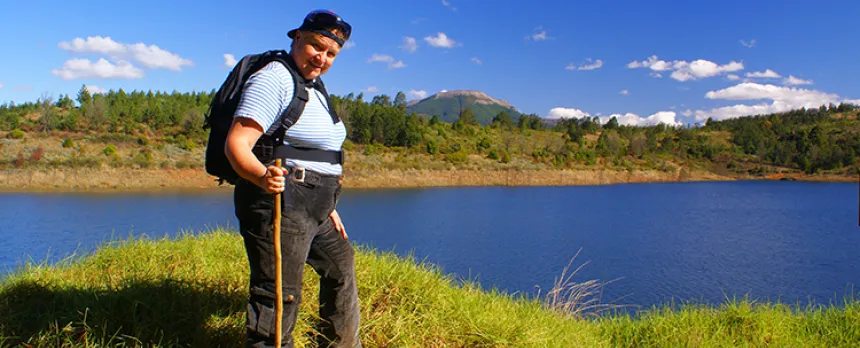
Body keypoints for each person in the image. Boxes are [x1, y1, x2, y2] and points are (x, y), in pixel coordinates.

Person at [224, 9, 360, 348]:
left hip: (315, 205)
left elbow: (314, 154)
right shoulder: (276, 78)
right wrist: (261, 175)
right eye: (316, 46)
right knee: (279, 294)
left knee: (340, 268)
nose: (322, 58)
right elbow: (237, 145)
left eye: (331, 53)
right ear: (297, 37)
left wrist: (327, 205)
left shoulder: (314, 86)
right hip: (281, 201)